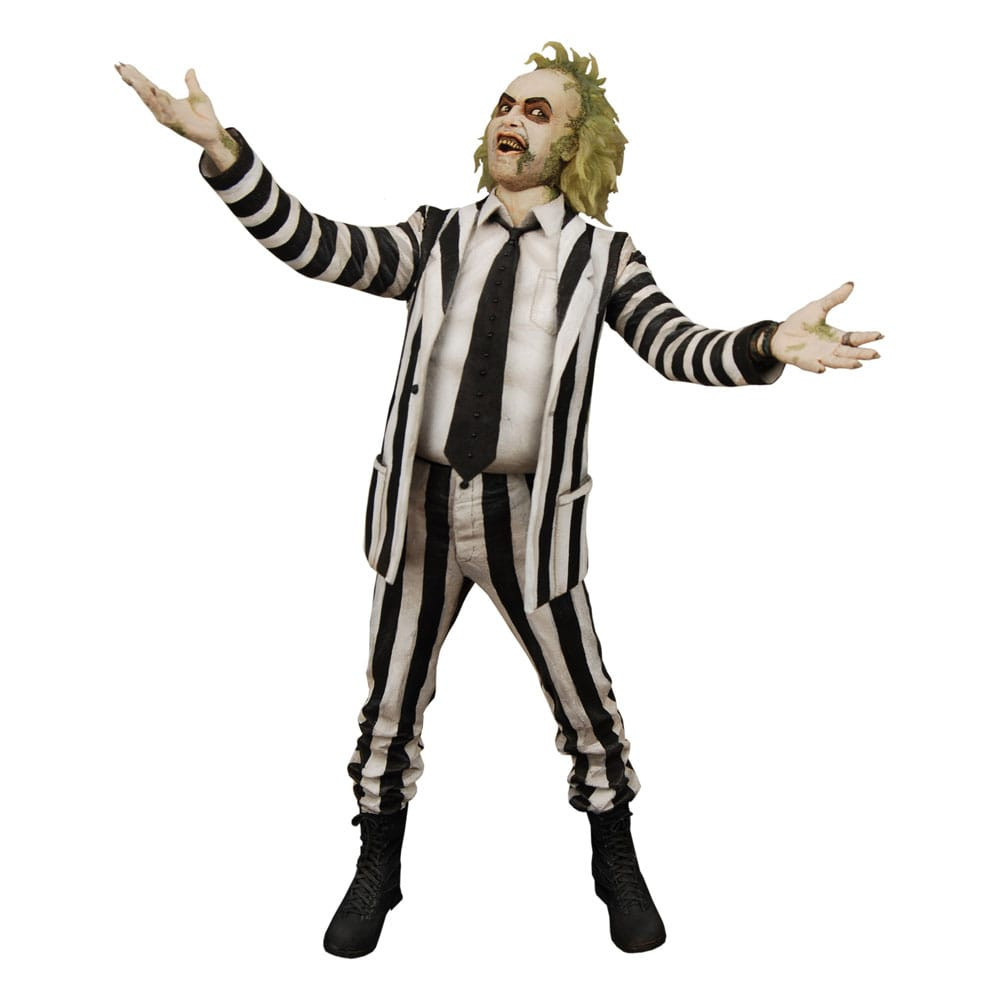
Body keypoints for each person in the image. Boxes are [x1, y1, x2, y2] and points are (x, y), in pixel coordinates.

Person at [116, 42, 882, 958]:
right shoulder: (435, 235)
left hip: (530, 517)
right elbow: (317, 245)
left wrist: (764, 345)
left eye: (538, 111)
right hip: (420, 506)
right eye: (505, 104)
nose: (512, 120)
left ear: (575, 145)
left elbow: (674, 344)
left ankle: (613, 857)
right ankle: (378, 865)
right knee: (390, 702)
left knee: (586, 700)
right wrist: (224, 153)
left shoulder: (602, 256)